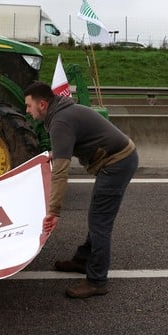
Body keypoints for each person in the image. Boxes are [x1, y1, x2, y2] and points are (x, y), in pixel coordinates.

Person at [23, 81, 138, 298]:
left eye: (29, 106)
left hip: (117, 163)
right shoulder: (61, 113)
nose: (27, 110)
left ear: (43, 104)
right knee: (98, 217)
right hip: (119, 159)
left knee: (100, 223)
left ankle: (97, 281)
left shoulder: (60, 121)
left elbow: (60, 173)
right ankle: (83, 259)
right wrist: (56, 153)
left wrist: (53, 212)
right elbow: (69, 143)